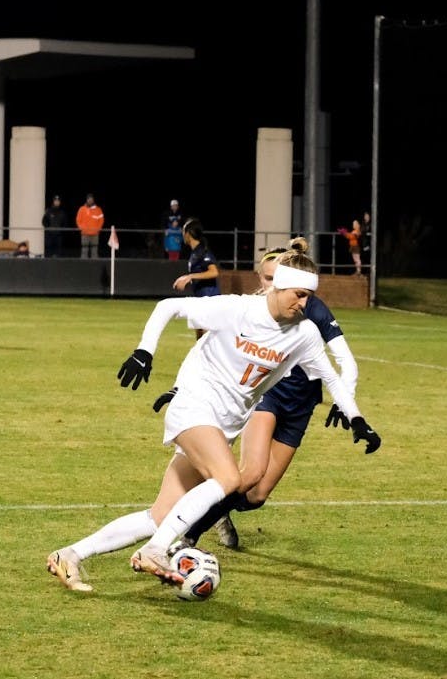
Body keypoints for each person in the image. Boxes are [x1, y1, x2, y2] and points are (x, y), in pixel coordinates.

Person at [45, 247, 382, 591]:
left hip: (225, 426)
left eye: (309, 296)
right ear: (279, 287)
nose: (304, 303)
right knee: (229, 478)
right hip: (195, 406)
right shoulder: (237, 309)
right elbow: (169, 306)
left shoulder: (305, 334)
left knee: (160, 516)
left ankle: (70, 554)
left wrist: (356, 418)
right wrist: (145, 350)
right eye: (299, 294)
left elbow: (332, 378)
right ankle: (157, 550)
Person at [162, 237, 362, 551]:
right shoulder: (253, 307)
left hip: (303, 402)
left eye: (275, 278)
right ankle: (186, 534)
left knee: (257, 495)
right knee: (251, 471)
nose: (269, 285)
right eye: (266, 278)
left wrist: (346, 401)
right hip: (267, 395)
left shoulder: (312, 309)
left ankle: (217, 508)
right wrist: (179, 387)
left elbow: (344, 363)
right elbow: (208, 348)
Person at [75, 193, 104, 258]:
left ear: (93, 200)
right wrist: (82, 228)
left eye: (91, 199)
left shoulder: (98, 209)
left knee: (94, 251)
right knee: (84, 251)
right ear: (86, 200)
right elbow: (78, 220)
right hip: (85, 234)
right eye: (88, 199)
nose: (90, 200)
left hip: (95, 234)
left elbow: (101, 221)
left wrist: (98, 229)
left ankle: (95, 266)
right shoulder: (82, 209)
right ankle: (84, 266)